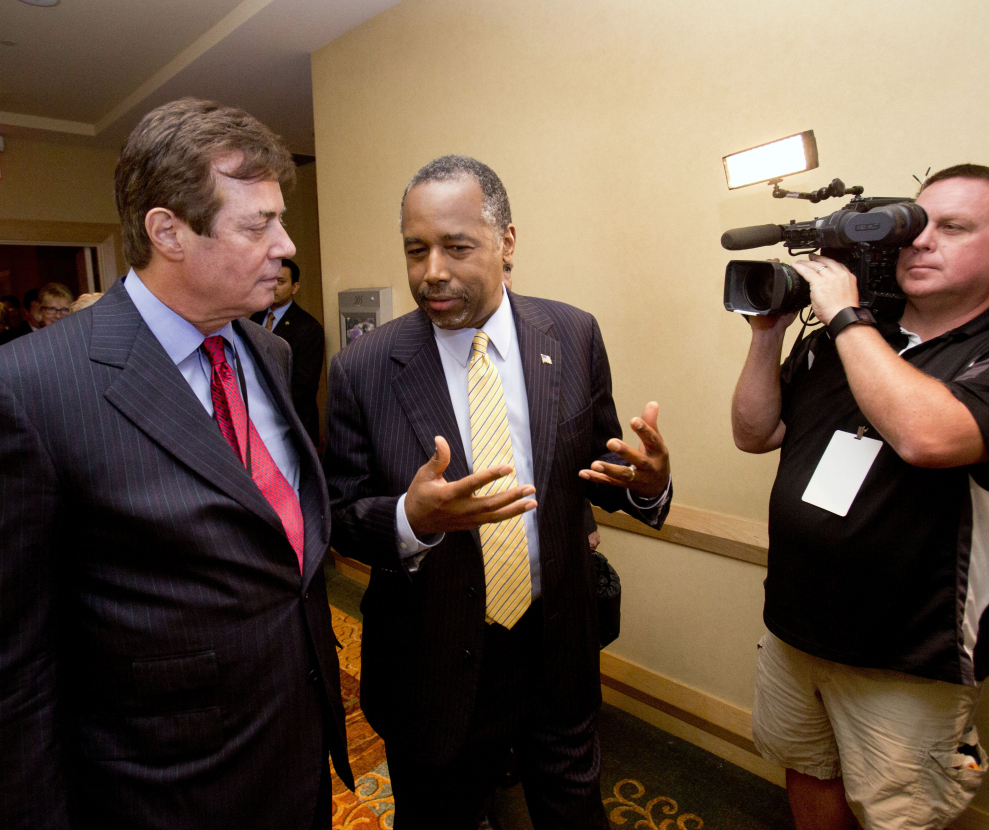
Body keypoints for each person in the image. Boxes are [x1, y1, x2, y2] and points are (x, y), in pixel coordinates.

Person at [0, 98, 352, 829]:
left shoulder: (271, 352)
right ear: (167, 232)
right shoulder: (32, 388)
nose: (286, 245)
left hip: (297, 752)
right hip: (163, 793)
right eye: (258, 224)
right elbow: (18, 668)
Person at [325, 155, 672, 829]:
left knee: (573, 814)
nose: (431, 272)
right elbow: (336, 514)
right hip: (431, 663)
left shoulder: (571, 335)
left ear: (505, 242)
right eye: (415, 250)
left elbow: (603, 473)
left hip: (556, 649)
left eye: (456, 247)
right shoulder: (363, 368)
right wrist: (408, 518)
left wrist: (647, 487)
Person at [731, 164, 989, 830]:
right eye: (916, 224)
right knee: (807, 769)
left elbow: (927, 437)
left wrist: (846, 316)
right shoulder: (846, 339)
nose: (921, 241)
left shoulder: (983, 351)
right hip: (794, 628)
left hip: (905, 654)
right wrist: (767, 335)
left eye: (954, 228)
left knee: (896, 814)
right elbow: (754, 431)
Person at [250, 258, 325, 448]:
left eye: (281, 282)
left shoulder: (308, 328)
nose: (274, 286)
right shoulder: (255, 317)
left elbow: (303, 388)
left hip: (293, 425)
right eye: (270, 280)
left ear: (295, 287)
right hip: (255, 423)